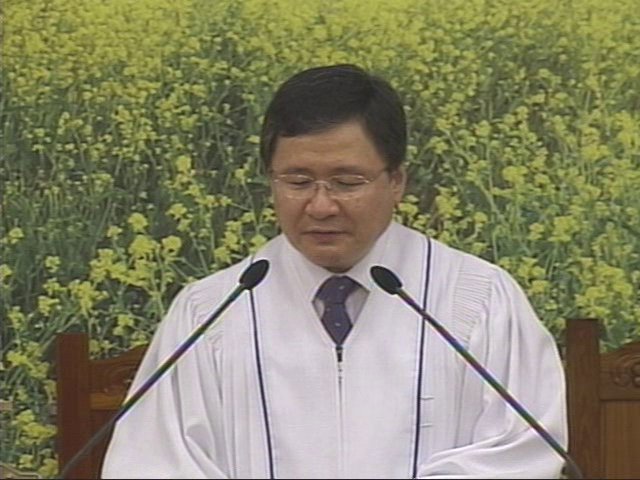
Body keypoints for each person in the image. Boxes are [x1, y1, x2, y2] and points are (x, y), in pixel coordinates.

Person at [102, 64, 567, 479]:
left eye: (347, 182)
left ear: (396, 181)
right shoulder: (209, 313)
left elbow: (520, 452)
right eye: (298, 181)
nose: (321, 205)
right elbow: (154, 462)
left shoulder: (478, 299)